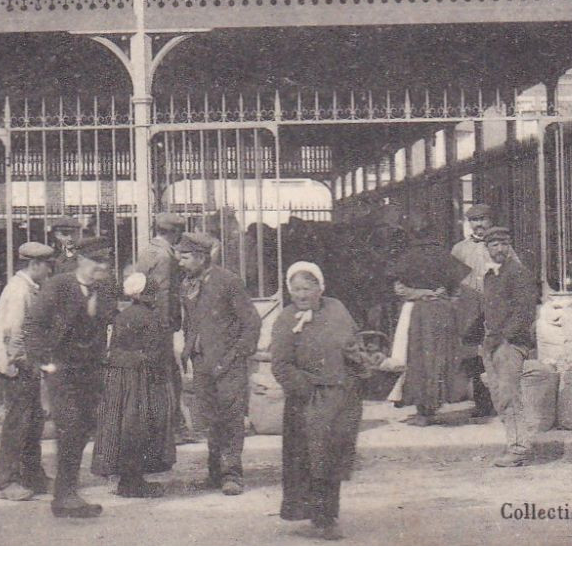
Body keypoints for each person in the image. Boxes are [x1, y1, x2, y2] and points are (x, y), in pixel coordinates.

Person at [271, 261, 367, 541]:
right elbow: (281, 365)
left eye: (307, 288)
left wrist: (361, 370)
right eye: (295, 288)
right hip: (308, 401)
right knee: (311, 461)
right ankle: (320, 519)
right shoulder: (286, 319)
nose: (301, 294)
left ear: (320, 288)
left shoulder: (336, 309)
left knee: (334, 458)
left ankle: (327, 518)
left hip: (341, 397)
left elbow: (352, 344)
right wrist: (305, 389)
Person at [23, 236, 115, 518]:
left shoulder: (106, 289)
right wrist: (44, 363)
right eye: (97, 261)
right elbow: (33, 325)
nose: (103, 267)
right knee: (70, 428)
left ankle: (68, 493)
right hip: (62, 370)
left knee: (83, 428)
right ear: (81, 260)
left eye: (106, 262)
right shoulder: (58, 286)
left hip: (91, 371)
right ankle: (65, 496)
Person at [177, 230, 261, 495]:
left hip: (228, 364)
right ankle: (215, 473)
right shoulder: (187, 284)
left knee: (231, 418)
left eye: (185, 257)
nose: (180, 262)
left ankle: (232, 475)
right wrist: (188, 351)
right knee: (210, 418)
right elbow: (190, 322)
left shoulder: (228, 282)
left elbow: (252, 322)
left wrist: (236, 355)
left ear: (201, 258)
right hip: (202, 362)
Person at [91, 271, 177, 498]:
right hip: (140, 377)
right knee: (139, 425)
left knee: (120, 425)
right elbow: (156, 353)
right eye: (153, 293)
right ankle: (132, 482)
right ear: (145, 295)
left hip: (118, 377)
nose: (156, 297)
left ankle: (125, 478)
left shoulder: (123, 315)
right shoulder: (151, 318)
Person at [0, 240, 56, 501]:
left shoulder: (30, 287)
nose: (50, 271)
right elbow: (14, 333)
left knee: (33, 421)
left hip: (26, 363)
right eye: (47, 266)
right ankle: (8, 481)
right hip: (17, 366)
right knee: (17, 423)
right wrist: (22, 365)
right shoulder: (20, 291)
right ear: (34, 264)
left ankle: (33, 475)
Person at [384, 235, 472, 425]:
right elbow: (457, 290)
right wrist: (440, 297)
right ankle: (431, 408)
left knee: (417, 359)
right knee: (438, 360)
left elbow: (400, 289)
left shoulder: (408, 256)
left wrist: (421, 293)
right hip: (443, 312)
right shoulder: (444, 257)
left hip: (416, 312)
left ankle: (423, 411)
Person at [480, 226, 540, 467]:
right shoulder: (490, 276)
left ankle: (518, 449)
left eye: (504, 244)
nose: (500, 249)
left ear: (510, 246)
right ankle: (514, 443)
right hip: (493, 344)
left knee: (509, 396)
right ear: (487, 249)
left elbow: (524, 312)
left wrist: (505, 338)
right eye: (494, 245)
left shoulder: (518, 273)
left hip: (510, 344)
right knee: (500, 398)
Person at [132, 212, 192, 441]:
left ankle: (161, 427)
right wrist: (166, 323)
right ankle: (173, 429)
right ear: (174, 232)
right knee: (168, 377)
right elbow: (164, 292)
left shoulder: (147, 251)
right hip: (159, 325)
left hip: (145, 321)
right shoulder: (166, 257)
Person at [451, 203, 498, 418]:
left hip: (494, 306)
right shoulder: (459, 249)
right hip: (468, 308)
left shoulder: (501, 246)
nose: (478, 224)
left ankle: (499, 401)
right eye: (474, 220)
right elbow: (451, 279)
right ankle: (481, 402)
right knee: (472, 355)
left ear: (490, 220)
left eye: (482, 219)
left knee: (495, 352)